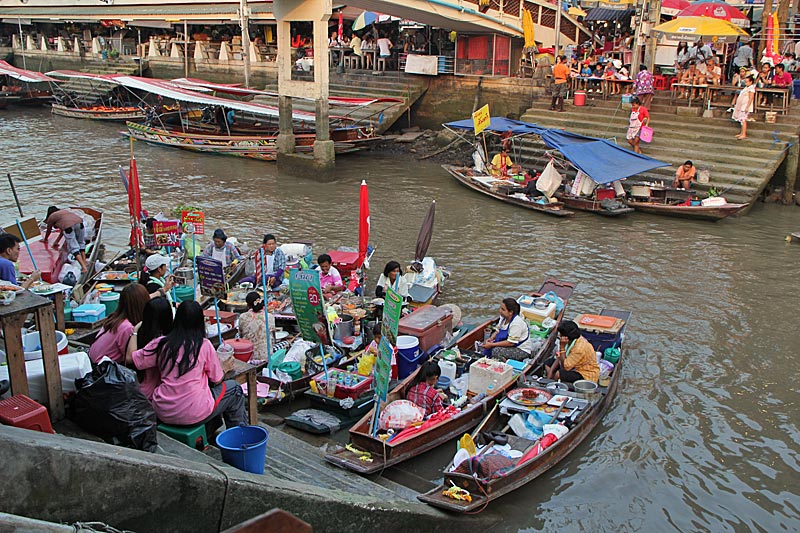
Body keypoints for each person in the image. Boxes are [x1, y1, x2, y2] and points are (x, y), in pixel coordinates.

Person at [131, 301, 247, 432]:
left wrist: (134, 331)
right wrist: (224, 367)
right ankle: (240, 438)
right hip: (194, 412)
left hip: (163, 410)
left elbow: (134, 359)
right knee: (235, 389)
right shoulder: (204, 345)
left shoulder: (161, 343)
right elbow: (217, 379)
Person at [125, 296, 174, 400]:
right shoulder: (160, 342)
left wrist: (135, 330)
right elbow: (130, 358)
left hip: (139, 387)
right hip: (151, 393)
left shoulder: (142, 333)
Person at [88, 283, 150, 364]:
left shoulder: (115, 318)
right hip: (102, 370)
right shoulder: (127, 327)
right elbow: (132, 358)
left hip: (93, 360)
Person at [43, 206, 88, 272]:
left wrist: (45, 239)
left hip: (68, 227)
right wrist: (57, 241)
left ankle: (83, 267)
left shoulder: (51, 217)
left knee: (73, 247)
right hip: (80, 223)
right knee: (81, 243)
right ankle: (84, 262)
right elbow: (62, 230)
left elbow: (48, 230)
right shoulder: (64, 212)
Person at [238, 292, 275, 362]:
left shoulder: (242, 317)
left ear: (248, 305)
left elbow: (241, 334)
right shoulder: (269, 317)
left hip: (249, 356)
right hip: (267, 357)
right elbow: (272, 337)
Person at [733, 75, 756, 140]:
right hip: (741, 106)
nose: (746, 83)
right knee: (741, 119)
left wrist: (747, 107)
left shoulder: (751, 89)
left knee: (743, 120)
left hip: (745, 106)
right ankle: (741, 133)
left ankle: (744, 134)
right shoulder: (746, 88)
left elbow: (751, 98)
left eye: (747, 82)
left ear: (751, 82)